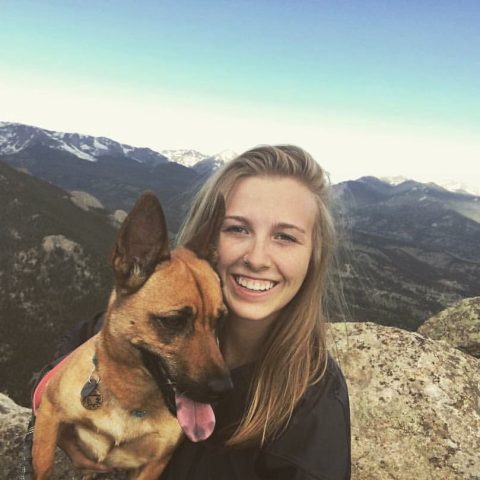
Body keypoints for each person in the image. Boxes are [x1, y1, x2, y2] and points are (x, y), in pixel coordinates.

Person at [31, 145, 351, 479]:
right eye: (238, 229)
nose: (257, 258)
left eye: (285, 236)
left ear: (314, 255)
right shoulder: (159, 306)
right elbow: (82, 340)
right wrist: (51, 409)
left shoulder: (315, 408)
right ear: (210, 241)